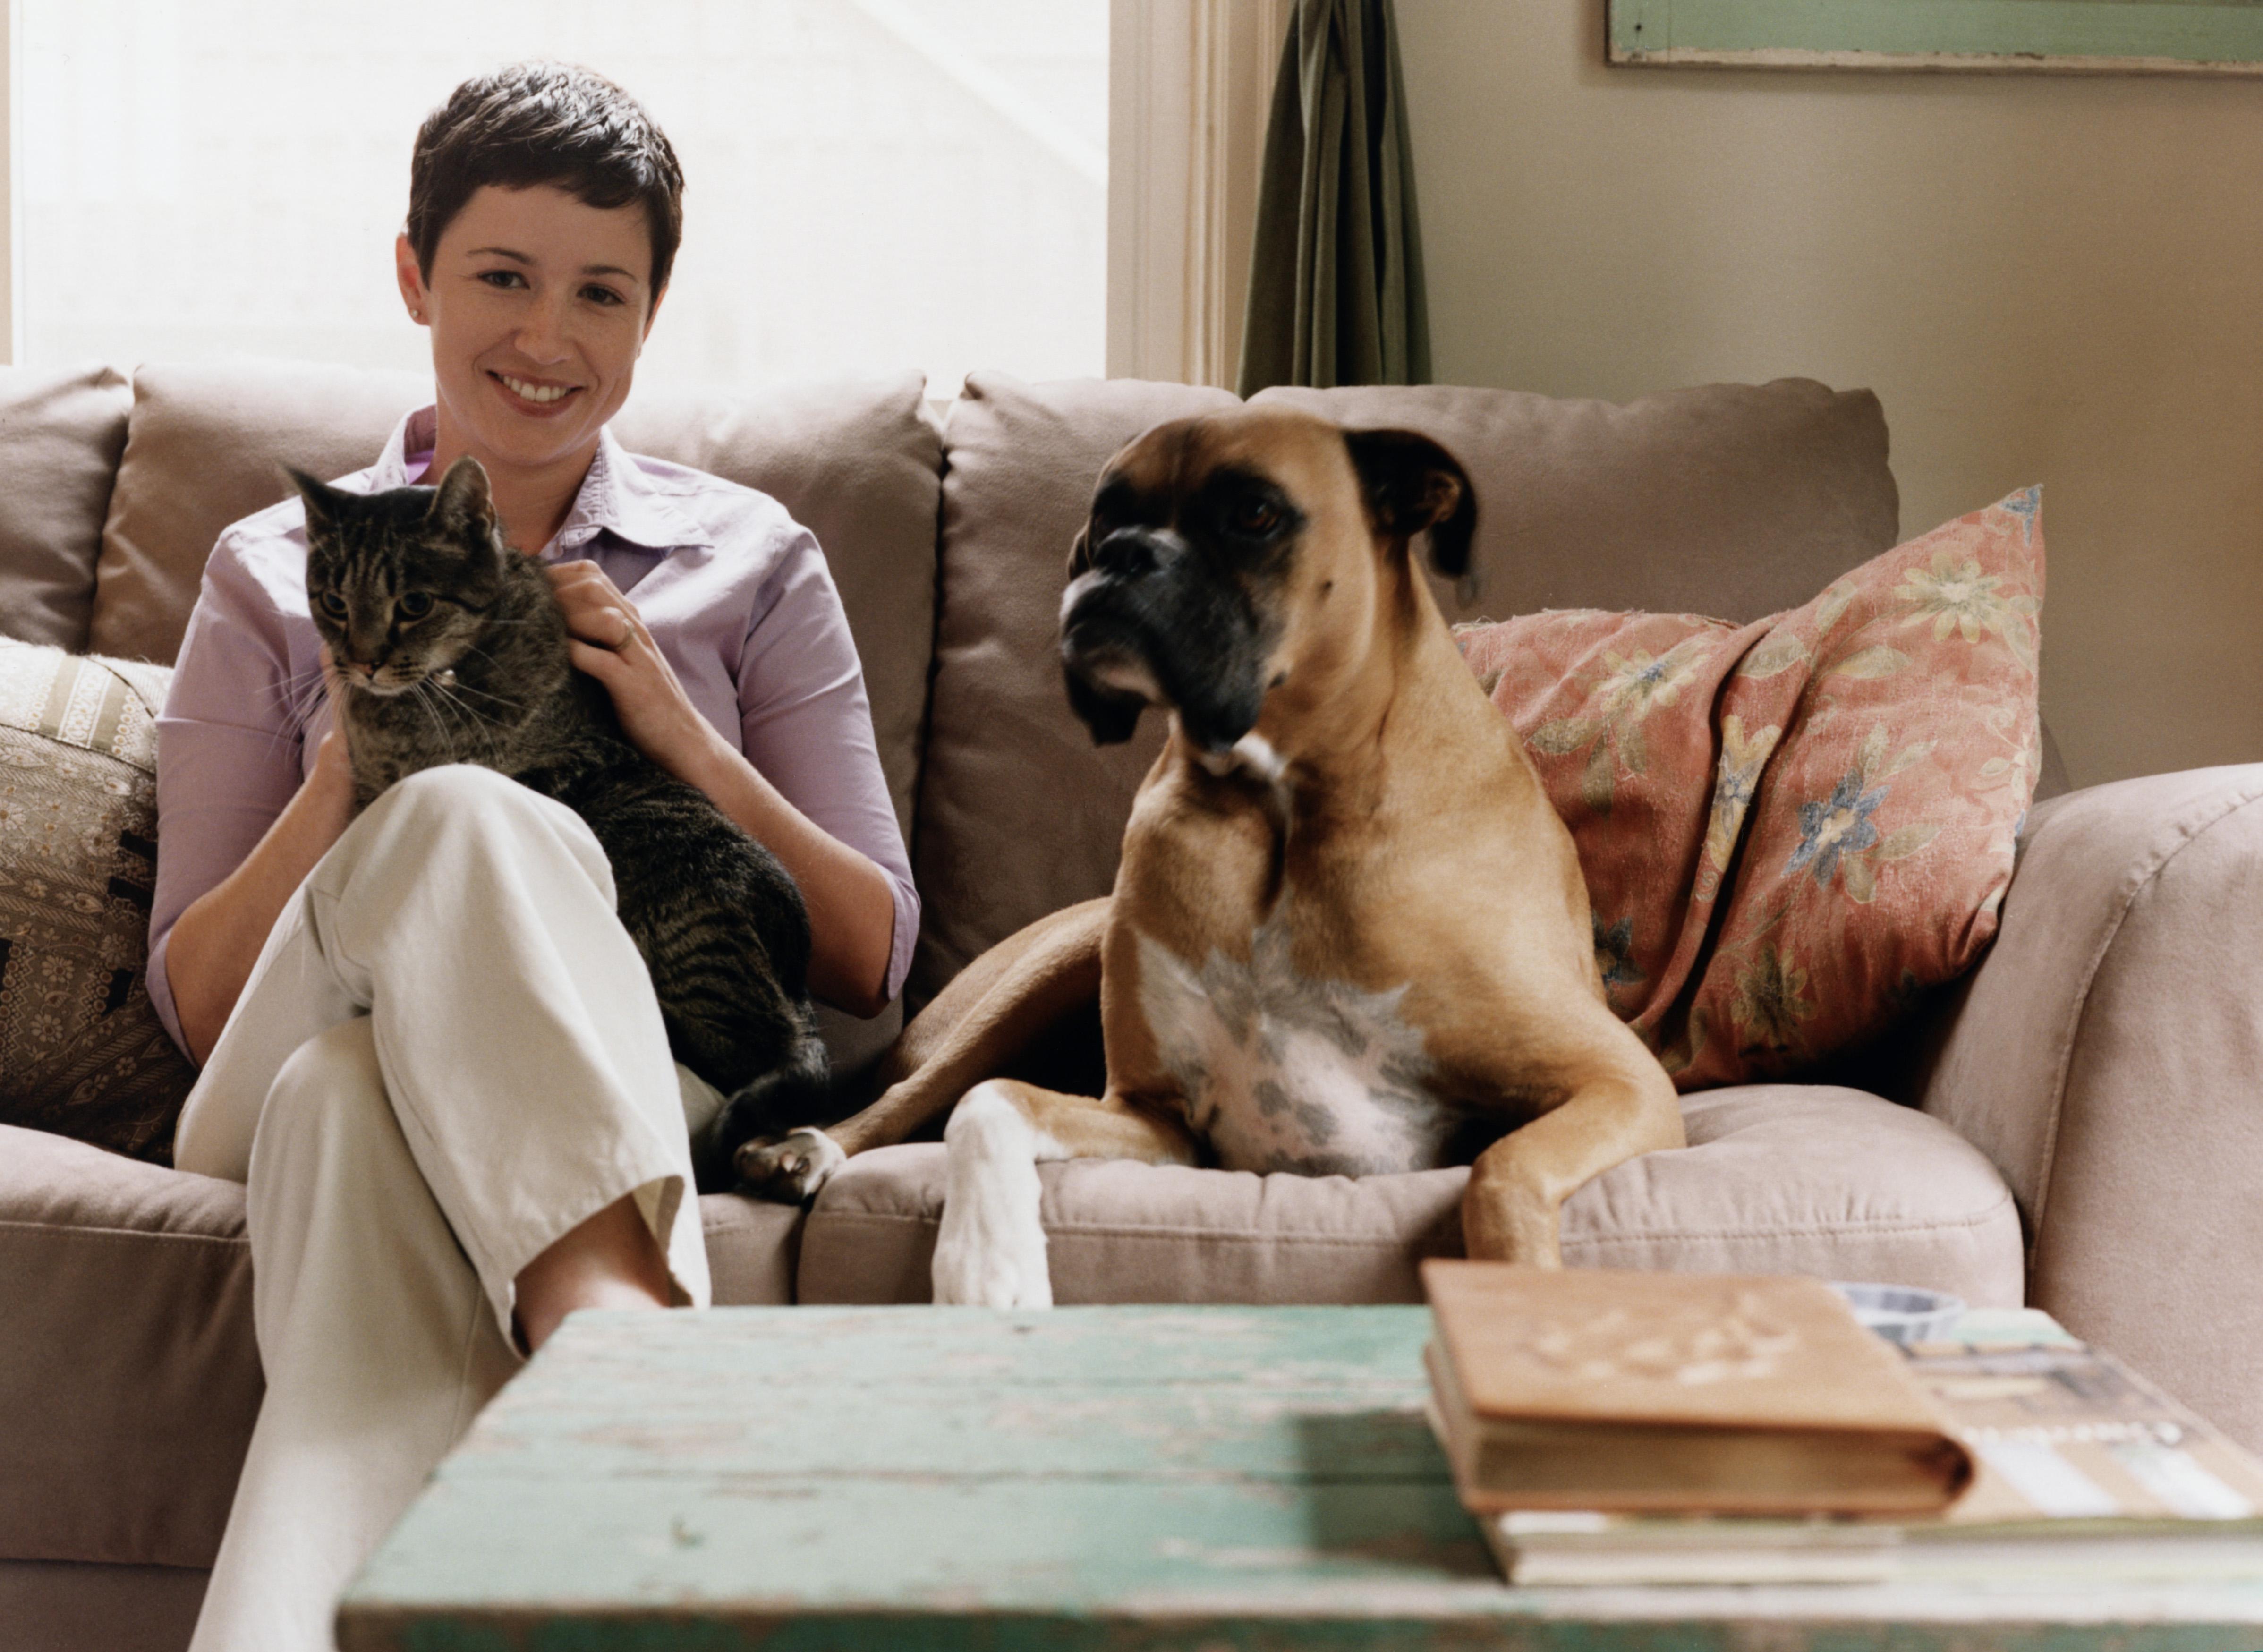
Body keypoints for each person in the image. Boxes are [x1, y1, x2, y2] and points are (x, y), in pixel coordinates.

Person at [148, 62, 917, 1652]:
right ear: (418, 273)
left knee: (354, 1115)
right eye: (501, 276)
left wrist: (682, 741)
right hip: (282, 1034)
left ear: (650, 317)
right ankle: (614, 1336)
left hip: (584, 1069)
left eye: (600, 294)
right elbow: (202, 1006)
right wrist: (362, 754)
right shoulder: (270, 572)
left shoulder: (753, 564)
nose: (546, 339)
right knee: (458, 814)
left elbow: (867, 958)